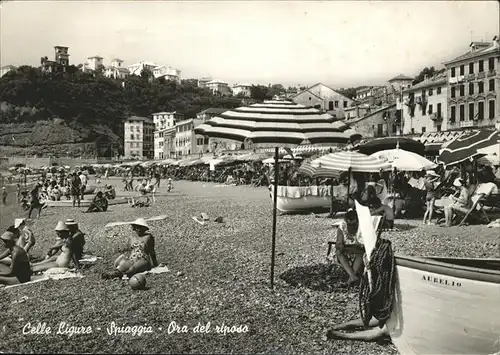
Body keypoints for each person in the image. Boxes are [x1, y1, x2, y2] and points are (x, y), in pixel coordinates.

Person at [333, 209, 364, 286]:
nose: (351, 226)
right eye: (349, 224)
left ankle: (351, 278)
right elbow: (339, 242)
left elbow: (364, 243)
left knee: (360, 254)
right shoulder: (343, 226)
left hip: (359, 249)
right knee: (339, 252)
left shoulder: (362, 226)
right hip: (347, 248)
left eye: (353, 224)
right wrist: (340, 246)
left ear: (357, 221)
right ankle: (353, 276)